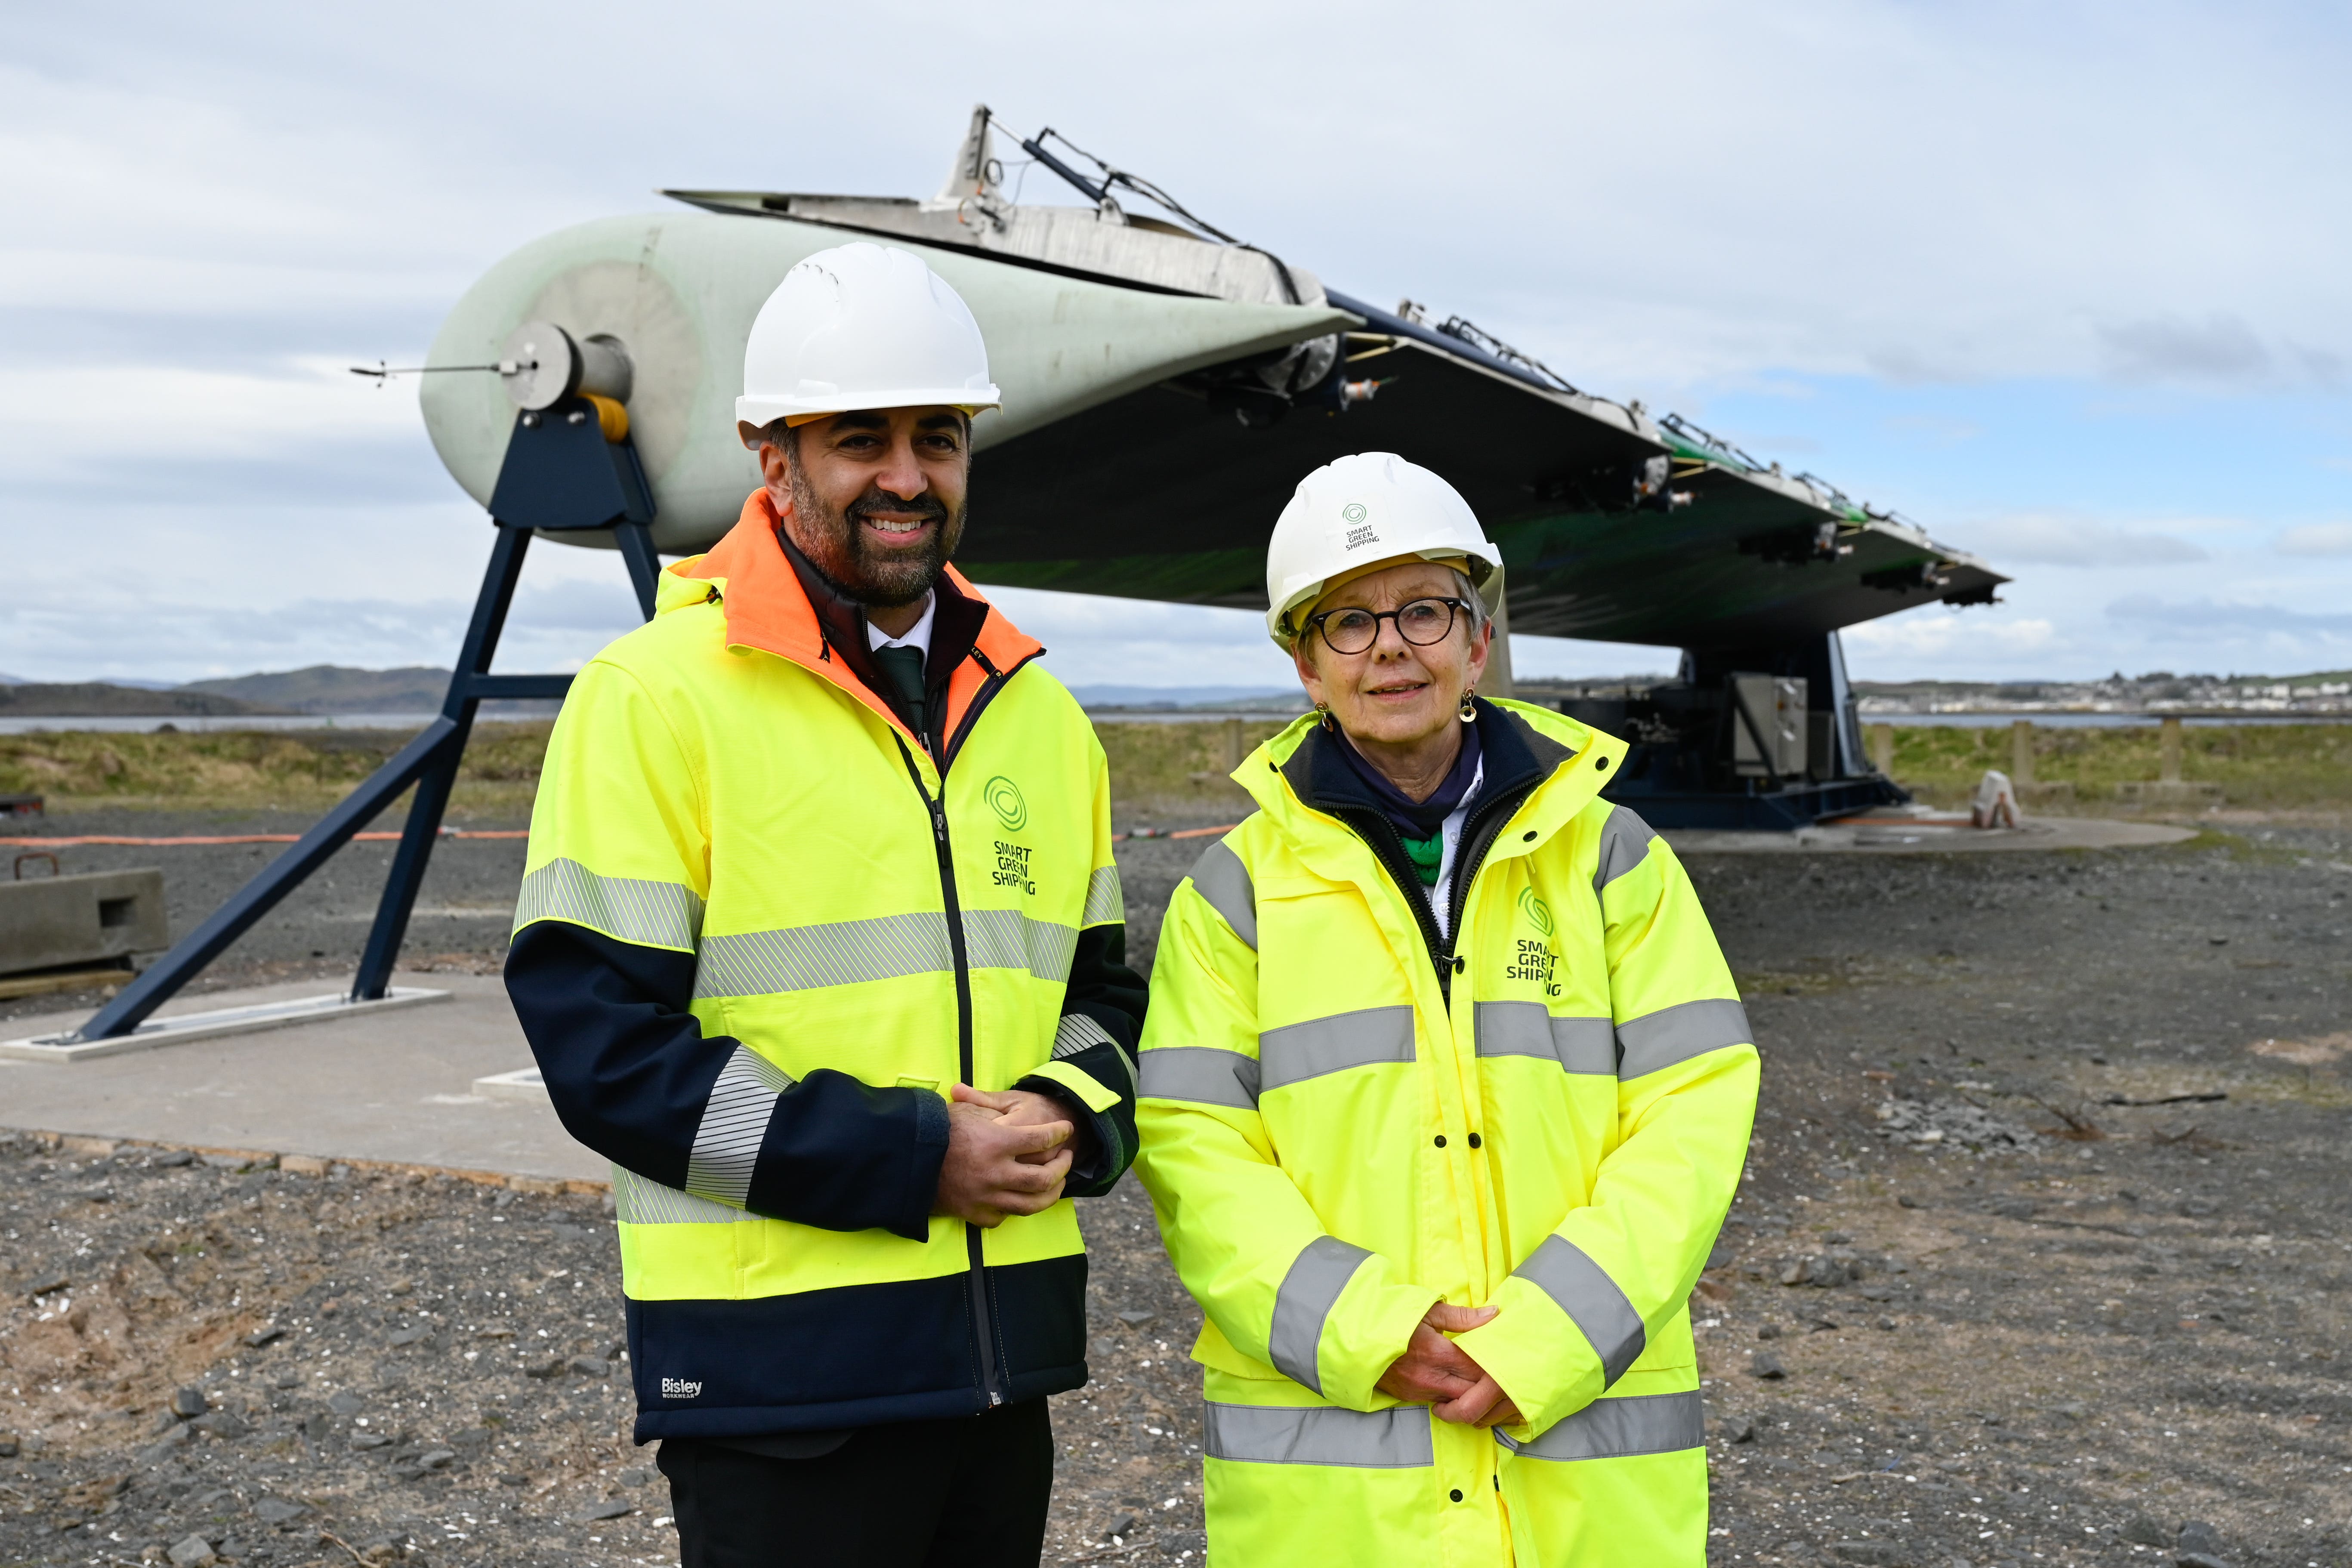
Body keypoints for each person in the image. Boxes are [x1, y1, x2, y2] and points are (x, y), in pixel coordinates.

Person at [504, 241, 1146, 1567]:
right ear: (772, 455)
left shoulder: (1040, 716)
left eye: (940, 437)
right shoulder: (652, 699)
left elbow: (1108, 1001)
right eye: (861, 437)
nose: (907, 476)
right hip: (778, 1385)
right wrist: (915, 1155)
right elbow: (605, 1053)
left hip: (1001, 1367)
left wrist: (1069, 1117)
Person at [1133, 452, 1758, 1565]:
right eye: (1345, 621)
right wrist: (1367, 1330)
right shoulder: (1228, 895)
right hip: (1335, 1509)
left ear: (1476, 642)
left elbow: (1695, 1106)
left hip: (1585, 1489)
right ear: (1302, 663)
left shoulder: (1614, 861)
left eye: (1423, 609)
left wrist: (1553, 1331)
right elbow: (1192, 1149)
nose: (1388, 646)